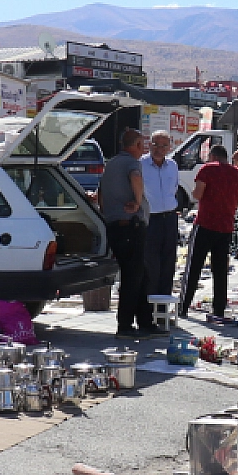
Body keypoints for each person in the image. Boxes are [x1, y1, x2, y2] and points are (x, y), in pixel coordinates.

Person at [180, 144, 238, 320]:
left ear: (212, 156)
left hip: (204, 224)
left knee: (193, 267)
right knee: (220, 271)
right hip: (225, 227)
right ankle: (218, 310)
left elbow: (197, 194)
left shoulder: (207, 169)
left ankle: (184, 307)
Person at [98, 128, 153, 337]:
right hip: (130, 226)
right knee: (132, 277)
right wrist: (138, 203)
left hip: (116, 225)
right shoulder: (132, 163)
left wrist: (106, 212)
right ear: (137, 145)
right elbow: (136, 177)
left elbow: (101, 192)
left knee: (141, 275)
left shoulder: (111, 163)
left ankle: (146, 322)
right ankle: (125, 325)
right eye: (143, 145)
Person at [140, 130, 181, 299]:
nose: (159, 149)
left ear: (169, 147)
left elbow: (175, 189)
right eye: (156, 145)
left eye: (164, 146)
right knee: (151, 264)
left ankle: (163, 305)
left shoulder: (172, 165)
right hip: (151, 220)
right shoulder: (140, 164)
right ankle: (149, 308)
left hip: (170, 218)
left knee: (169, 263)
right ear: (149, 145)